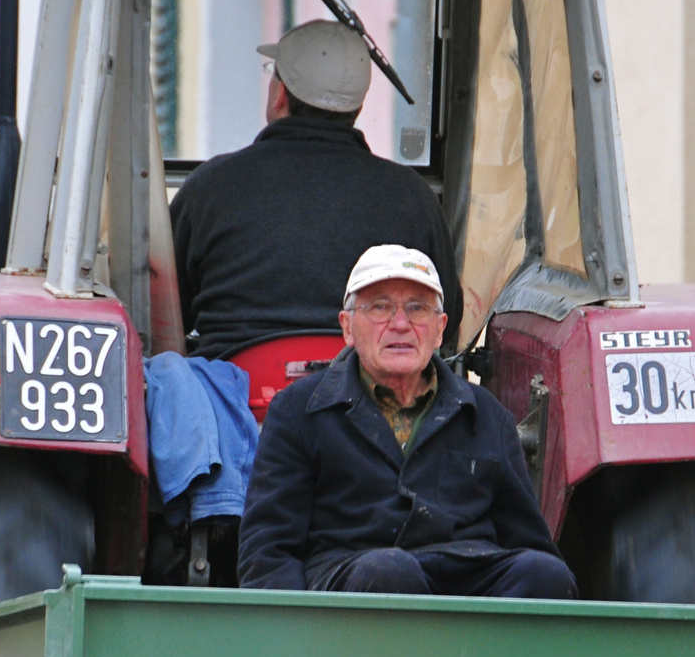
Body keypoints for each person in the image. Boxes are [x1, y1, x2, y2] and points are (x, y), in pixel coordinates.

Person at [238, 245, 576, 600]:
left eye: (417, 308)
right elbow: (268, 551)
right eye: (380, 307)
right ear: (348, 327)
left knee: (546, 574)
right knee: (390, 572)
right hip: (353, 578)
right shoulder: (298, 410)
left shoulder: (487, 415)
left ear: (439, 329)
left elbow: (530, 541)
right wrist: (290, 641)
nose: (400, 324)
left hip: (467, 569)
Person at [170, 21, 462, 361]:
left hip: (231, 404)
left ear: (279, 95)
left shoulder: (209, 186)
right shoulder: (414, 197)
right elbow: (447, 318)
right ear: (357, 109)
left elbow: (163, 312)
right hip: (365, 402)